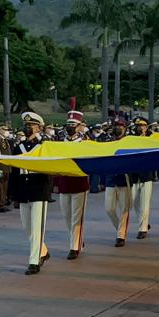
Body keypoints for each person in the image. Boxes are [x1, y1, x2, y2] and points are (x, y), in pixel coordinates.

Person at [10, 112, 52, 274]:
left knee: (36, 227)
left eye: (31, 125)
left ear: (39, 127)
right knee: (27, 226)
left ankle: (34, 261)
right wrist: (13, 193)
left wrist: (47, 191)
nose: (28, 128)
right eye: (26, 125)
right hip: (23, 189)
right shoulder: (18, 147)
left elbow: (49, 170)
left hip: (38, 189)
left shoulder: (44, 146)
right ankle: (42, 251)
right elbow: (14, 171)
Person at [56, 111, 89, 260]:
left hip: (79, 182)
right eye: (68, 124)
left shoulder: (85, 142)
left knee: (77, 216)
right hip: (64, 182)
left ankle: (74, 246)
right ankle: (77, 240)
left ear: (79, 126)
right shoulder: (60, 142)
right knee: (67, 216)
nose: (69, 127)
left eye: (73, 125)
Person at [103, 121, 133, 247]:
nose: (118, 128)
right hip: (110, 178)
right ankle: (120, 229)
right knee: (109, 208)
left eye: (121, 126)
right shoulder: (107, 142)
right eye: (116, 126)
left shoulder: (129, 142)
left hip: (124, 178)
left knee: (124, 208)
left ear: (125, 128)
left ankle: (121, 235)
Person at [130, 118, 155, 240]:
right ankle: (143, 221)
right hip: (134, 175)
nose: (140, 127)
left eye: (143, 125)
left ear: (147, 127)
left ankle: (142, 228)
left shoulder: (152, 139)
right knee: (134, 202)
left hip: (146, 175)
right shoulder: (130, 139)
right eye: (138, 125)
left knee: (144, 203)